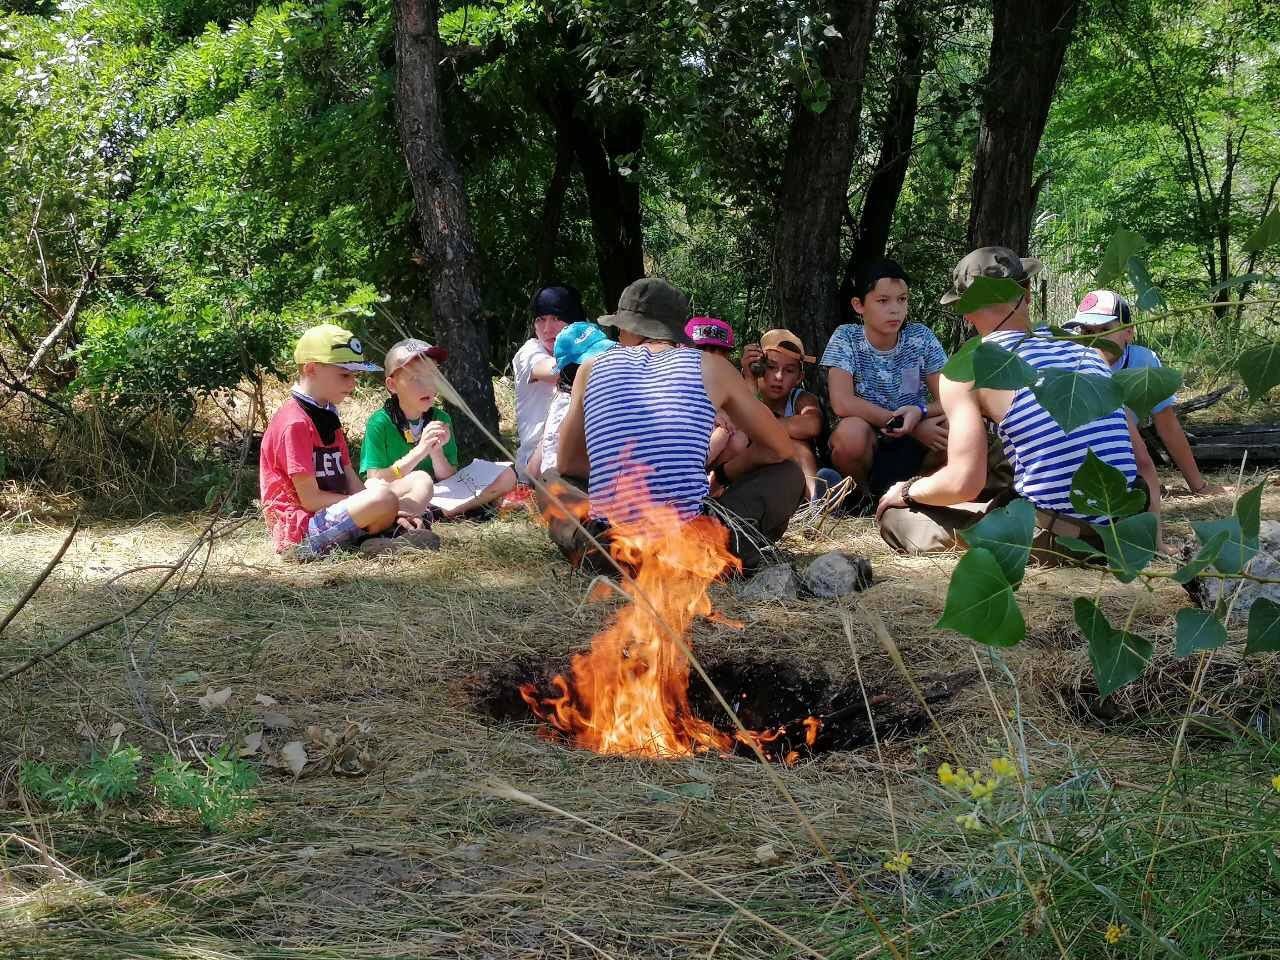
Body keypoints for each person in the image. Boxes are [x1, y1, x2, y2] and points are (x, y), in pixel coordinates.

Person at [875, 247, 1142, 556]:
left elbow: (965, 482)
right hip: (1127, 532)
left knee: (895, 518)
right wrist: (1154, 541)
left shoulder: (968, 370)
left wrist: (906, 491)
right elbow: (1143, 465)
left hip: (1063, 541)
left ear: (965, 309)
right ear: (1027, 293)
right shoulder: (1086, 352)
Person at [552, 277, 805, 573]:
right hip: (689, 549)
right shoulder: (712, 367)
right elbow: (781, 449)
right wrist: (722, 474)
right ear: (674, 330)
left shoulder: (590, 369)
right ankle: (722, 558)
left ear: (629, 328)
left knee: (551, 481)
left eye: (620, 328)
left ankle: (595, 553)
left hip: (614, 550)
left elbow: (568, 464)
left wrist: (618, 479)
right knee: (789, 474)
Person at [259, 324, 439, 558]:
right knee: (381, 497)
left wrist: (374, 502)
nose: (353, 383)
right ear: (312, 368)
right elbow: (311, 500)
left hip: (337, 512)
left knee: (418, 479)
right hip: (301, 531)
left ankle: (387, 531)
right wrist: (376, 503)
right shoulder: (295, 422)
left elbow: (348, 474)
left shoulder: (327, 413)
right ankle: (386, 534)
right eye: (344, 374)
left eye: (354, 375)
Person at [1065, 289, 1224, 497]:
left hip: (1125, 459)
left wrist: (1198, 486)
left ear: (1128, 333)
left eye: (1104, 329)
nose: (1095, 339)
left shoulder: (1144, 364)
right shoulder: (1069, 364)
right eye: (1086, 332)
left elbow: (1167, 425)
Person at [822, 258, 950, 501]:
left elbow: (951, 399)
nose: (895, 309)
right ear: (859, 305)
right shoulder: (846, 337)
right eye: (883, 301)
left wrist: (920, 412)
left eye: (902, 299)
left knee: (956, 427)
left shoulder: (920, 337)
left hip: (916, 446)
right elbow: (842, 402)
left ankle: (916, 497)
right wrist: (911, 427)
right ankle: (862, 500)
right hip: (871, 441)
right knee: (850, 434)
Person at [359, 338, 516, 518]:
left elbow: (449, 478)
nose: (427, 385)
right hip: (403, 491)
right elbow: (374, 480)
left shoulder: (440, 418)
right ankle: (443, 510)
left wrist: (436, 452)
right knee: (413, 483)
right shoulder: (380, 423)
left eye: (433, 375)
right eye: (415, 378)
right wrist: (420, 451)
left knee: (507, 475)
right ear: (392, 385)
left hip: (438, 493)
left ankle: (437, 512)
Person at [739, 329, 826, 499]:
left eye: (789, 371)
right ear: (759, 367)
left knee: (798, 445)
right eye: (771, 367)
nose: (778, 376)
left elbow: (812, 425)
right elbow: (737, 421)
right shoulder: (746, 392)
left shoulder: (801, 399)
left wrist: (757, 425)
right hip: (750, 471)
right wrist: (749, 379)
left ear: (799, 377)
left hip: (789, 477)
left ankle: (816, 502)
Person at [512, 286, 585, 481]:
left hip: (574, 453)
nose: (547, 329)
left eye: (556, 318)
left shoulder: (584, 356)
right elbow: (552, 371)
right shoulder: (529, 352)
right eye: (540, 319)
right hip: (535, 463)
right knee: (566, 399)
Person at [539, 322, 615, 478]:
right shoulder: (567, 406)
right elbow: (561, 464)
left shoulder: (596, 395)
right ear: (573, 371)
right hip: (567, 485)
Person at [685, 316, 749, 468]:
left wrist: (749, 377)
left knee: (738, 438)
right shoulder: (676, 374)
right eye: (701, 349)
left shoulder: (726, 380)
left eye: (717, 351)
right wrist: (710, 411)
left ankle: (712, 479)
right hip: (680, 441)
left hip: (710, 447)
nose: (708, 356)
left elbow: (745, 414)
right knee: (721, 434)